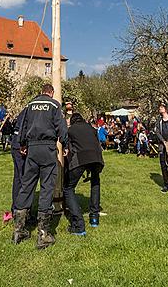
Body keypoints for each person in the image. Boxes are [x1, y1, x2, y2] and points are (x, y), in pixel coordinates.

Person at [13, 83, 68, 249]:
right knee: (46, 188)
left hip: (31, 148)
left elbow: (22, 125)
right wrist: (64, 145)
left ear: (40, 91)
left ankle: (19, 229)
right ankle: (43, 235)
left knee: (26, 185)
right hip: (47, 148)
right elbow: (62, 126)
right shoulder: (54, 105)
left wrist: (22, 143)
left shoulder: (30, 105)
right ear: (51, 92)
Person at [64, 113, 104, 235]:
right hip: (97, 158)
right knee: (95, 182)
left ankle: (78, 225)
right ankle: (94, 218)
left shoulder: (71, 130)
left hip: (81, 157)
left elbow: (68, 146)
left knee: (68, 188)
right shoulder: (91, 128)